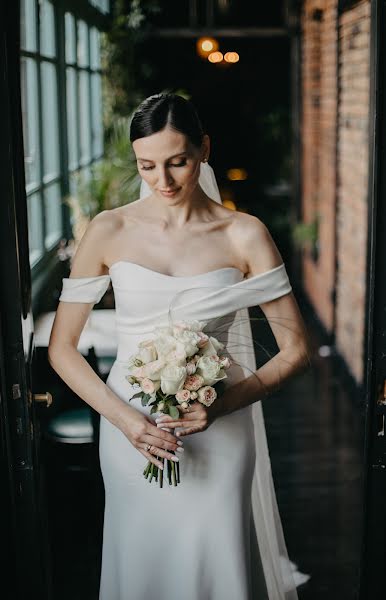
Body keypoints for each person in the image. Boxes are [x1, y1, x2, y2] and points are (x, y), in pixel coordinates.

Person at [48, 92, 311, 600]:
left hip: (221, 425)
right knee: (143, 558)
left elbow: (296, 349)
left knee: (217, 557)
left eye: (178, 162)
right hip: (129, 429)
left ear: (204, 150)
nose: (162, 181)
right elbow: (62, 348)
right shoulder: (109, 229)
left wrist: (221, 407)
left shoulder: (245, 234)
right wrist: (126, 422)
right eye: (147, 165)